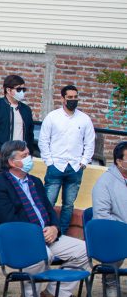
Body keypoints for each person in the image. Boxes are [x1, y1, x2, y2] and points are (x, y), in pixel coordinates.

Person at [0, 140, 89, 297]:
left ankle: (52, 295)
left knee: (84, 251)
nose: (30, 159)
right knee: (44, 254)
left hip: (48, 235)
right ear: (12, 162)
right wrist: (36, 235)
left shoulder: (35, 181)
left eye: (29, 154)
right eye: (25, 156)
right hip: (21, 240)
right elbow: (8, 221)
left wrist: (55, 228)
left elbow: (49, 211)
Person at [0, 75, 36, 220]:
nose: (22, 92)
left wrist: (29, 154)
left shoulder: (26, 110)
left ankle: (11, 224)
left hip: (18, 159)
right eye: (19, 89)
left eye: (24, 89)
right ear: (9, 90)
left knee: (16, 192)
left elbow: (29, 132)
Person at [39, 85, 95, 235]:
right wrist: (49, 162)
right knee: (48, 202)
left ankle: (61, 234)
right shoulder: (52, 117)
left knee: (68, 205)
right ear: (62, 98)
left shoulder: (84, 119)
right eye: (70, 97)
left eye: (75, 97)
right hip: (56, 166)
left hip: (75, 168)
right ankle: (45, 233)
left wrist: (84, 162)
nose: (73, 100)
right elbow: (43, 140)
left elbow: (90, 142)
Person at [91, 141, 127, 297]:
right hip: (113, 231)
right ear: (119, 162)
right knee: (114, 241)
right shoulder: (105, 182)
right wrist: (123, 228)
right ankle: (110, 282)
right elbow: (101, 215)